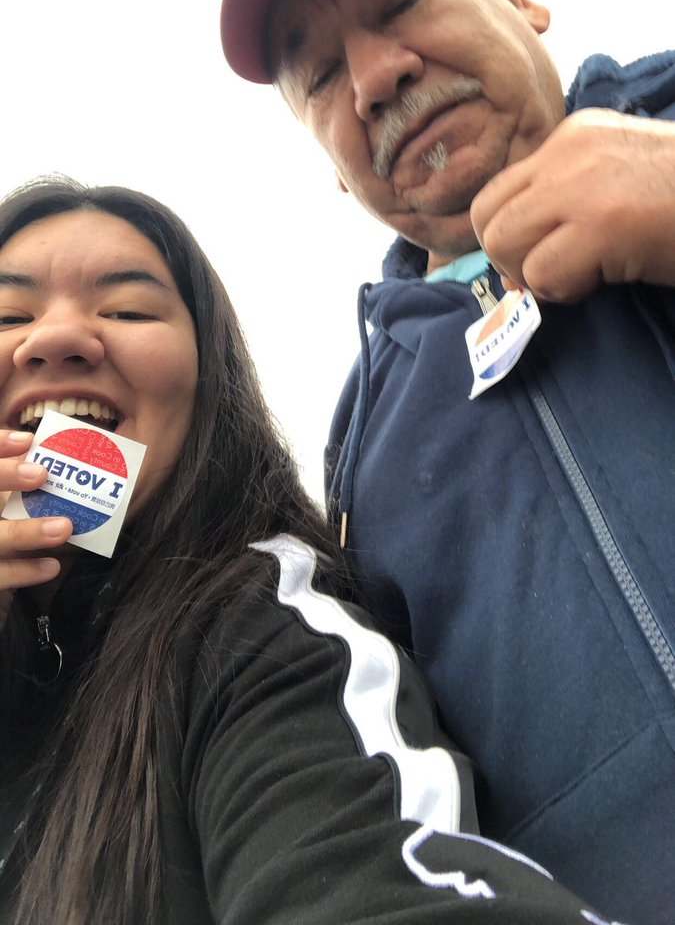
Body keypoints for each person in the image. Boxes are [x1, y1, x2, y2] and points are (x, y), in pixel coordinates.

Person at [219, 0, 675, 925]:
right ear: (333, 168)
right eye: (321, 75)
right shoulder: (357, 457)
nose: (374, 77)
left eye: (399, 1)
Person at [0, 176, 617, 925]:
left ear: (209, 378)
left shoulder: (264, 633)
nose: (55, 338)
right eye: (8, 316)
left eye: (127, 309)